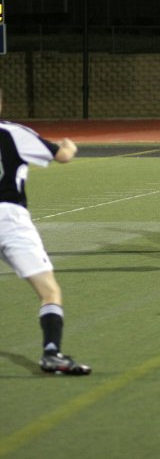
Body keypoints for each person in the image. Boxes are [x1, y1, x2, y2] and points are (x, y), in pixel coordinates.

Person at [0, 89, 91, 375]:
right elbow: (62, 155)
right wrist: (70, 145)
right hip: (9, 217)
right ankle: (51, 353)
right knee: (49, 291)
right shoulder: (13, 132)